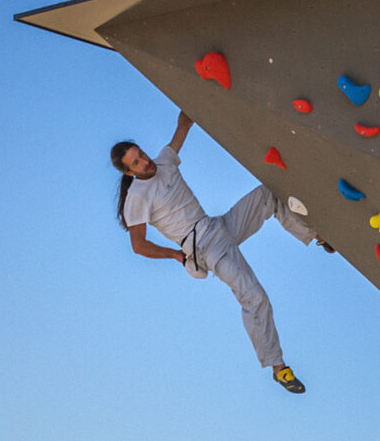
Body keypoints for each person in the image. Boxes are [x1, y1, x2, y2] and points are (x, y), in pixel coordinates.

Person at [110, 111, 331, 392]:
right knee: (254, 296)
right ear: (130, 172)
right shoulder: (136, 198)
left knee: (267, 194)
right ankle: (279, 369)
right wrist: (176, 255)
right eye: (136, 162)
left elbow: (183, 125)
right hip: (205, 247)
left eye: (141, 153)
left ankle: (317, 236)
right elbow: (138, 245)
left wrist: (191, 103)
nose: (144, 161)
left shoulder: (164, 160)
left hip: (218, 225)